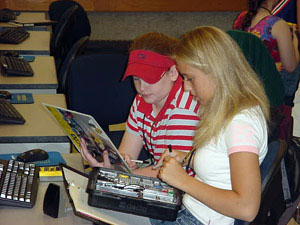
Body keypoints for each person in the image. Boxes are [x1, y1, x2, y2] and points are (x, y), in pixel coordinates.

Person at [151, 26, 270, 225]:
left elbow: (247, 208)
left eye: (190, 78)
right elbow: (223, 163)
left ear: (214, 71)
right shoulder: (228, 110)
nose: (186, 88)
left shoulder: (241, 124)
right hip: (190, 212)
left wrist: (182, 180)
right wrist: (186, 158)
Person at [80, 32, 200, 177]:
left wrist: (124, 175)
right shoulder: (142, 100)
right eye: (136, 79)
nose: (142, 88)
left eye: (150, 79)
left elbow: (174, 172)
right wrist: (113, 166)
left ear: (173, 73)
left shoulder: (184, 107)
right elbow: (126, 154)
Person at [233, 0, 299, 106]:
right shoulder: (278, 24)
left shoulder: (241, 18)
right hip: (273, 90)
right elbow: (290, 67)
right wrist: (295, 40)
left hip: (246, 84)